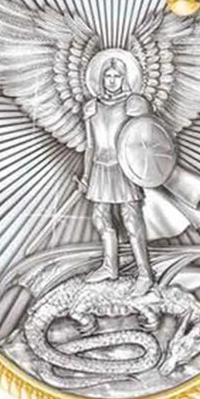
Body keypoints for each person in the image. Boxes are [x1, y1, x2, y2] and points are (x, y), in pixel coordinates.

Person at [78, 56, 153, 296]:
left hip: (124, 167)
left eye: (116, 76)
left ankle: (145, 274)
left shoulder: (134, 104)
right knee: (100, 217)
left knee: (131, 220)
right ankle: (110, 267)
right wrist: (86, 175)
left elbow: (146, 139)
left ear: (124, 78)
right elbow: (91, 145)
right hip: (100, 166)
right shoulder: (91, 107)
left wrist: (141, 169)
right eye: (107, 76)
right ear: (101, 78)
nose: (111, 80)